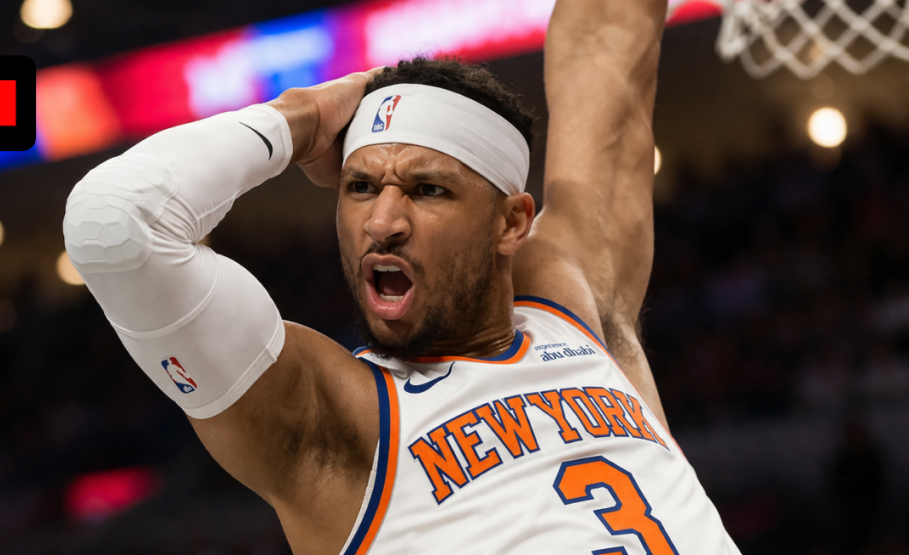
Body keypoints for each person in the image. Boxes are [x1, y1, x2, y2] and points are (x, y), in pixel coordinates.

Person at [63, 0, 741, 552]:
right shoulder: (332, 420)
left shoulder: (570, 298)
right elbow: (113, 224)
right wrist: (305, 115)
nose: (382, 220)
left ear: (511, 222)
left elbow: (606, 37)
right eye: (360, 186)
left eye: (427, 190)